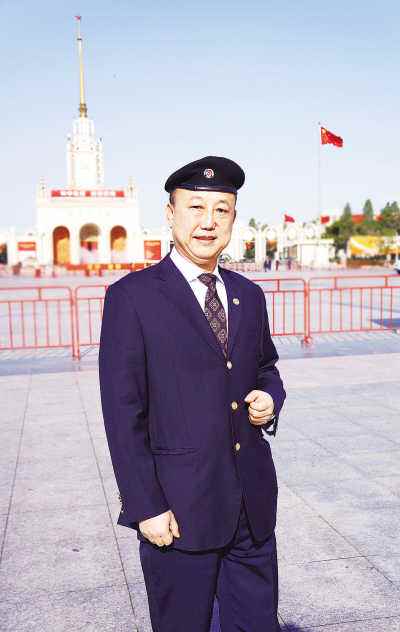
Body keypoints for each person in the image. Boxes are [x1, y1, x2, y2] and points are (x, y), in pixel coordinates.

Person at [98, 155, 286, 632]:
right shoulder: (133, 297)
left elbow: (265, 367)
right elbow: (122, 413)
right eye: (196, 208)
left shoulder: (248, 294)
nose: (208, 222)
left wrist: (269, 399)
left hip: (250, 508)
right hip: (178, 510)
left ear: (233, 219)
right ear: (170, 214)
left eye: (222, 210)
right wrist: (145, 506)